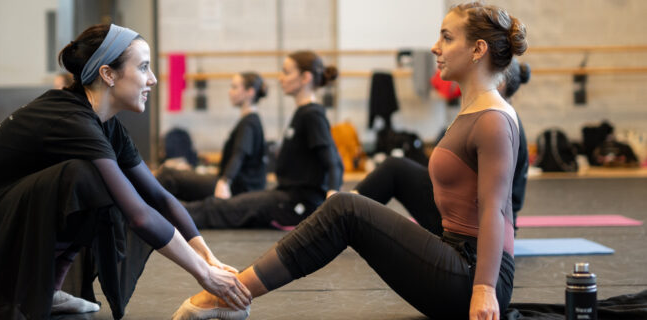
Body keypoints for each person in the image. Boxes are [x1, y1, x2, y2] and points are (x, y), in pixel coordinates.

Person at [173, 2, 526, 319]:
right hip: (457, 254)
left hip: (474, 275)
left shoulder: (493, 119)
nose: (435, 47)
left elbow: (495, 210)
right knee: (360, 196)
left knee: (346, 209)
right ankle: (233, 291)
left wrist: (484, 290)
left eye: (447, 38)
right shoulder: (475, 110)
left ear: (478, 49)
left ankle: (230, 294)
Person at [0, 24, 251, 320]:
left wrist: (209, 256)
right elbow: (140, 216)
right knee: (88, 178)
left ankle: (49, 289)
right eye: (144, 67)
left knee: (100, 180)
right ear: (108, 74)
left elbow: (158, 195)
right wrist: (203, 275)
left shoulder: (105, 124)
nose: (154, 78)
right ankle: (34, 288)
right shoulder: (70, 118)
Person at [356, 57, 532, 235]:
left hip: (477, 227)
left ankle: (346, 209)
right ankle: (348, 207)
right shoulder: (495, 117)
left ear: (499, 82)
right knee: (396, 167)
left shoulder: (498, 125)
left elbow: (490, 200)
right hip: (474, 215)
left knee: (395, 169)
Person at [183, 50, 343, 229]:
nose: (281, 78)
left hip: (295, 207)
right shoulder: (303, 113)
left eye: (287, 72)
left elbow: (334, 161)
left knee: (216, 209)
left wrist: (332, 199)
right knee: (216, 207)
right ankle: (164, 213)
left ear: (305, 77)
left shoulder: (312, 115)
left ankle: (165, 217)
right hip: (284, 197)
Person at [157, 72, 268, 201]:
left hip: (236, 188)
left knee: (168, 176)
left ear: (250, 92)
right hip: (232, 183)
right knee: (172, 175)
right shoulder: (250, 120)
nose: (230, 92)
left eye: (235, 87)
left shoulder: (249, 122)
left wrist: (225, 182)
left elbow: (240, 153)